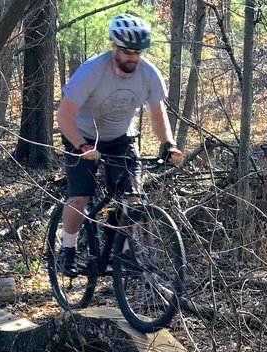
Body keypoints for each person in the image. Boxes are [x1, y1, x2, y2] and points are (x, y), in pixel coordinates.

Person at [56, 13, 183, 277]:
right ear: (114, 46)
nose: (132, 57)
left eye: (137, 52)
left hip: (120, 137)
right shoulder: (92, 72)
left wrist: (168, 144)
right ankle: (67, 249)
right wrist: (81, 146)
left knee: (132, 198)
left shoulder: (148, 74)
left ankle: (121, 251)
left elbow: (157, 114)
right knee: (80, 196)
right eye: (127, 51)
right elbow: (64, 115)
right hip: (81, 135)